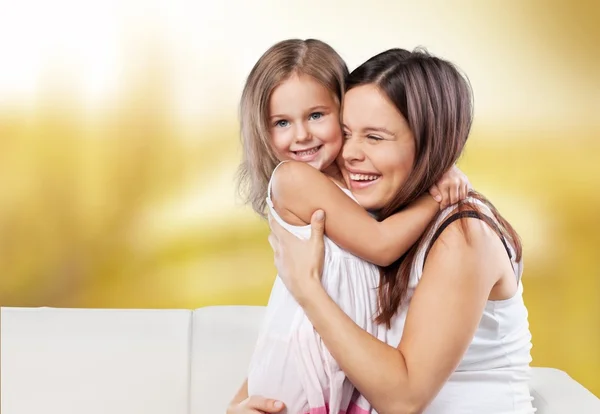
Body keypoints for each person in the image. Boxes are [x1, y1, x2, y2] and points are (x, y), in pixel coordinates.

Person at [263, 47, 535, 414]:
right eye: (346, 132)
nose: (350, 154)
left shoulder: (462, 237)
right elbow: (304, 334)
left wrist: (307, 288)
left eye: (374, 138)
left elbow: (404, 399)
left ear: (429, 143)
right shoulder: (379, 219)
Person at [230, 39, 471, 414]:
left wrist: (437, 166)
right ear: (263, 131)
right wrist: (437, 195)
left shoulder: (355, 177)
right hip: (300, 382)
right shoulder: (293, 179)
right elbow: (380, 244)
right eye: (282, 122)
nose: (302, 135)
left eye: (316, 115)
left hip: (346, 379)